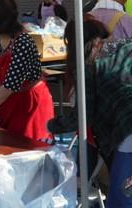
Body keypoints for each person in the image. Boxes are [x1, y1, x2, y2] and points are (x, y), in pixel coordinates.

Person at [48, 18, 132, 207]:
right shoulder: (126, 45)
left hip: (127, 135)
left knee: (122, 199)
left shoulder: (89, 65)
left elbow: (81, 117)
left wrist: (50, 125)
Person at [0, 0, 54, 141]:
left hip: (30, 101)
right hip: (7, 100)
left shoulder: (23, 42)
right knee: (8, 141)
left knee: (28, 147)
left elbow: (10, 85)